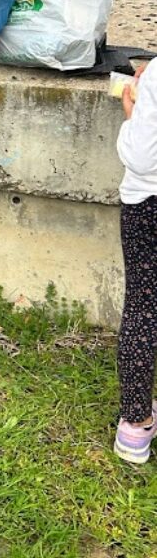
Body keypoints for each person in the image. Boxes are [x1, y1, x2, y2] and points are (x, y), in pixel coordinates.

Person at [114, 60, 157, 463]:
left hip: (147, 205)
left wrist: (132, 118)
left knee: (143, 310)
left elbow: (142, 159)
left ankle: (135, 426)